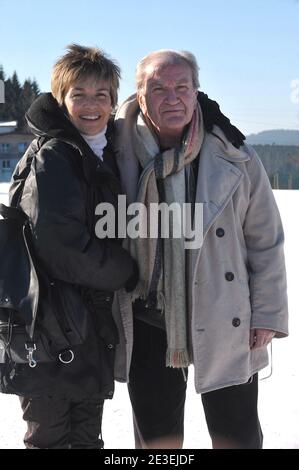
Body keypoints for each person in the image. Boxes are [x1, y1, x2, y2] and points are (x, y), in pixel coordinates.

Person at [113, 49, 289, 449]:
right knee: (158, 442)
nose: (172, 97)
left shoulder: (237, 155)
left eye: (182, 86)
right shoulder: (115, 153)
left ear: (196, 92)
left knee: (237, 437)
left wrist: (267, 313)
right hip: (148, 318)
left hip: (227, 315)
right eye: (159, 88)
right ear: (140, 95)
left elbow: (266, 241)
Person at [7, 44, 137, 449]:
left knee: (84, 437)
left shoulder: (97, 151)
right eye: (78, 94)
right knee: (51, 438)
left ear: (114, 102)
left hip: (79, 327)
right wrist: (126, 270)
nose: (91, 105)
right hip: (50, 327)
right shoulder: (57, 155)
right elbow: (61, 247)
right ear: (61, 100)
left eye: (101, 96)